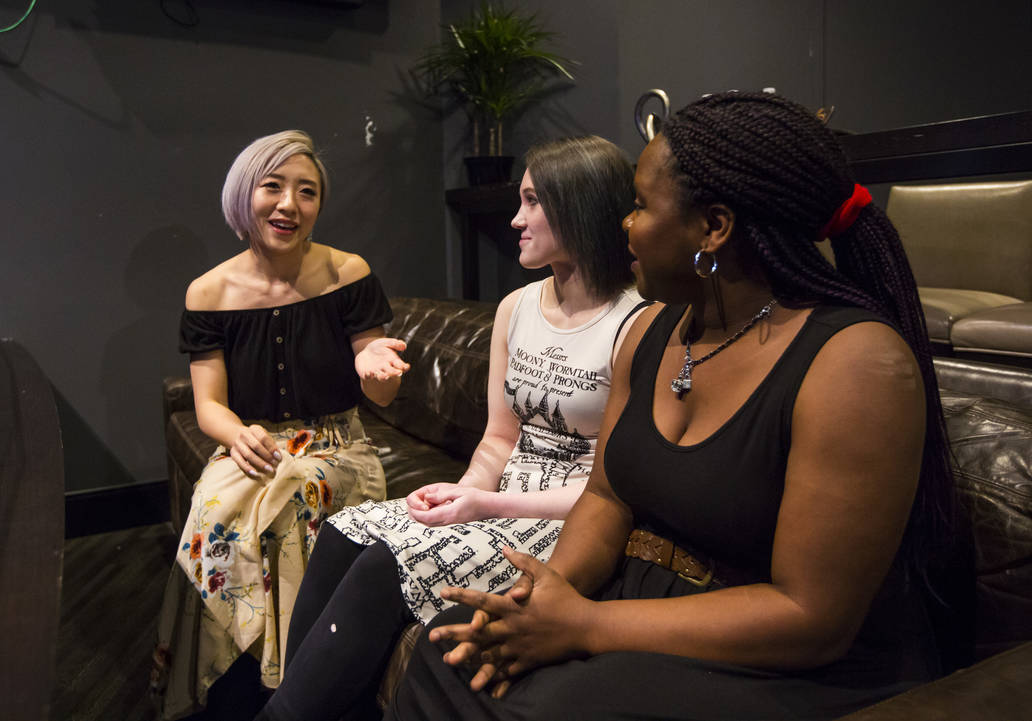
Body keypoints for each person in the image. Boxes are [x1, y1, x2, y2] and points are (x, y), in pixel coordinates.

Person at [388, 92, 968, 721]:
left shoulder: (854, 363)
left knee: (544, 707)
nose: (624, 225)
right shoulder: (650, 331)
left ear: (713, 227)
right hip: (643, 597)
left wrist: (586, 626)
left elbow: (810, 618)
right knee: (450, 650)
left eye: (639, 205)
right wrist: (551, 590)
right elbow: (607, 498)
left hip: (780, 651)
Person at [255, 135, 648, 721]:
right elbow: (497, 438)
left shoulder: (638, 321)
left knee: (386, 563)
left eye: (533, 202)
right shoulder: (516, 308)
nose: (516, 219)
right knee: (345, 530)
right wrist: (463, 492)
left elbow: (612, 489)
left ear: (578, 205)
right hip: (497, 497)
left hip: (568, 520)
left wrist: (485, 504)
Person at [151, 130, 409, 720]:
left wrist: (376, 370)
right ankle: (223, 685)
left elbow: (385, 394)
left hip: (338, 445)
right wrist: (235, 434)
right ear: (245, 196)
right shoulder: (208, 292)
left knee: (291, 497)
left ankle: (290, 689)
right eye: (273, 186)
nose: (289, 204)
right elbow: (209, 404)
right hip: (253, 441)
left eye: (307, 191)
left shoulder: (348, 273)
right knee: (214, 510)